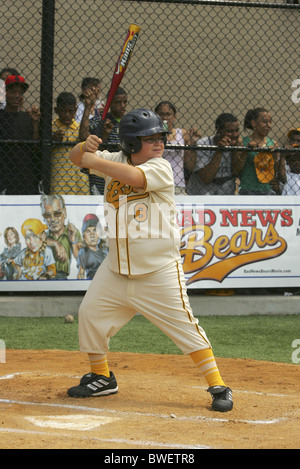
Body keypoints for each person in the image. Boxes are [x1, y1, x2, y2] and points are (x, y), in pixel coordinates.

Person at [67, 108, 233, 412]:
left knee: (185, 326)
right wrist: (85, 147)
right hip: (116, 268)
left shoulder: (160, 168)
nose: (159, 143)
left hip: (158, 271)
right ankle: (102, 378)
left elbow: (132, 176)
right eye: (150, 138)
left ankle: (218, 385)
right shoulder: (113, 160)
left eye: (160, 137)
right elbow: (75, 159)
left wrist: (94, 160)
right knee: (90, 314)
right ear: (131, 143)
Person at [80, 87, 128, 195]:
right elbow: (83, 136)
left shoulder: (129, 123)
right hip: (100, 178)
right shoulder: (100, 120)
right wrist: (104, 134)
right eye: (118, 102)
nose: (123, 105)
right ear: (109, 104)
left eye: (125, 102)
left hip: (122, 175)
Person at [0, 75, 40, 195]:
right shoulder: (1, 116)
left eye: (20, 93)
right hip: (3, 172)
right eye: (13, 92)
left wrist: (34, 122)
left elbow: (35, 145)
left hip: (23, 174)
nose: (17, 96)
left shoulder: (27, 117)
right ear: (5, 93)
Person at [187, 113, 242, 195]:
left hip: (226, 195)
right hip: (201, 195)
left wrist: (236, 150)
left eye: (237, 130)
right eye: (230, 131)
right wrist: (219, 150)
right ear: (218, 131)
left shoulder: (237, 145)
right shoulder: (203, 143)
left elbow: (236, 172)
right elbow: (206, 178)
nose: (235, 135)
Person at [154, 101, 201, 194]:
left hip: (177, 183)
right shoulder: (152, 134)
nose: (165, 118)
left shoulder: (182, 133)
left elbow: (190, 165)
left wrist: (192, 143)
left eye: (168, 114)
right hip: (156, 183)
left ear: (174, 116)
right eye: (161, 114)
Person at [232, 108, 279, 195]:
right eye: (265, 122)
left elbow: (275, 172)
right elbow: (235, 170)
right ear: (254, 123)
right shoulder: (242, 141)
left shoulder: (273, 143)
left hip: (267, 190)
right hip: (247, 189)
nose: (269, 125)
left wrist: (275, 156)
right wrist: (246, 151)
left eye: (270, 122)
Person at [51, 92, 89, 194]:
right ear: (56, 110)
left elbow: (85, 139)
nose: (67, 115)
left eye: (71, 111)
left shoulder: (79, 128)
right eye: (63, 111)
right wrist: (52, 140)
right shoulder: (51, 127)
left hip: (80, 181)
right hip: (59, 181)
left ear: (76, 110)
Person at [40, 194, 81, 279]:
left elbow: (80, 261)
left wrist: (73, 242)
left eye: (57, 213)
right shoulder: (43, 235)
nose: (53, 219)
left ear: (65, 213)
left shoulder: (72, 232)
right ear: (43, 217)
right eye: (47, 215)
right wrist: (55, 243)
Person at [77, 214, 108, 280]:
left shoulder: (106, 248)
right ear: (84, 236)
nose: (92, 235)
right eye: (88, 231)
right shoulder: (83, 252)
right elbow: (81, 273)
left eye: (95, 230)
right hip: (92, 284)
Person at [278, 128, 300, 195]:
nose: (294, 143)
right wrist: (284, 155)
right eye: (292, 140)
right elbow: (282, 177)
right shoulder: (285, 156)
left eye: (298, 141)